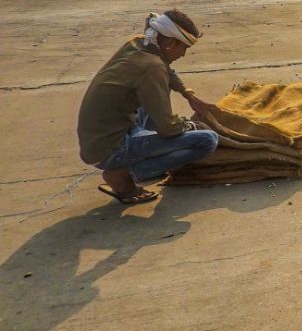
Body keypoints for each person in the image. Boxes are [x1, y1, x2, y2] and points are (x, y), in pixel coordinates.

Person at [77, 10, 220, 205]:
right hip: (110, 149)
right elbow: (168, 128)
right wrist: (191, 126)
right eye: (184, 48)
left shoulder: (138, 44)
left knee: (160, 90)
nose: (184, 54)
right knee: (207, 140)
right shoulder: (152, 68)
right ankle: (125, 175)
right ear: (170, 44)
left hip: (98, 139)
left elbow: (165, 70)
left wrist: (188, 94)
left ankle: (146, 146)